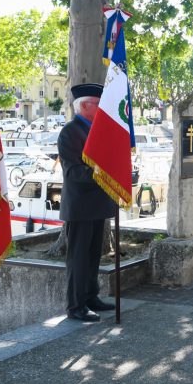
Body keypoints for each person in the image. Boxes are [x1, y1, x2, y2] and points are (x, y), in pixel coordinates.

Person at [58, 83, 118, 322]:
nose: (102, 107)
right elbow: (73, 172)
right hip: (80, 206)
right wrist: (103, 174)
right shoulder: (70, 133)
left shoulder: (98, 131)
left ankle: (90, 296)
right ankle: (75, 305)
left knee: (93, 256)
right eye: (97, 103)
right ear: (83, 105)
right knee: (79, 258)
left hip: (97, 204)